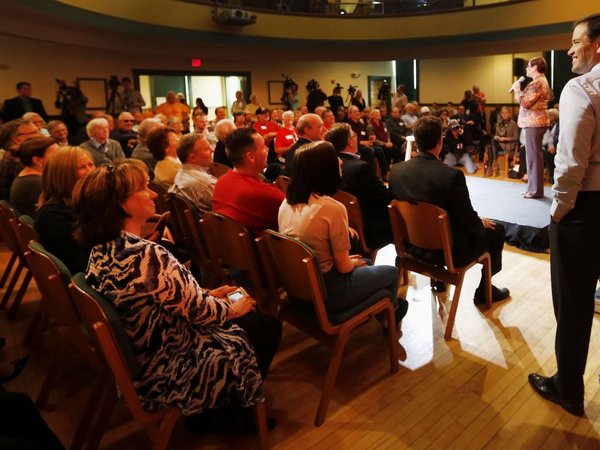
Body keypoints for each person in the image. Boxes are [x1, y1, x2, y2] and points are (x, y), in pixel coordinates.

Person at [73, 160, 282, 425]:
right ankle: (229, 411)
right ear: (121, 205)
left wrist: (207, 293)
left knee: (247, 315)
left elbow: (168, 299)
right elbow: (198, 312)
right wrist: (231, 308)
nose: (153, 194)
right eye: (143, 188)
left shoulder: (102, 249)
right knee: (265, 324)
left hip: (150, 352)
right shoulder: (146, 255)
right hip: (170, 365)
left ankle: (224, 403)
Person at [528, 13, 600, 418]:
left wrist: (558, 210)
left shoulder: (581, 87)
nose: (570, 49)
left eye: (576, 41)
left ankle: (569, 389)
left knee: (573, 303)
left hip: (585, 209)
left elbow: (571, 162)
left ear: (598, 44)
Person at [278, 141, 407, 327]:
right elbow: (344, 268)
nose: (340, 161)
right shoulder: (332, 208)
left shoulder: (287, 202)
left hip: (300, 286)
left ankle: (388, 311)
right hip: (329, 291)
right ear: (325, 169)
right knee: (391, 273)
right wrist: (351, 262)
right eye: (335, 158)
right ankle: (390, 314)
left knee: (368, 263)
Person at [389, 116, 510, 303]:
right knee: (497, 229)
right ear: (440, 141)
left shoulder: (396, 171)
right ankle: (485, 292)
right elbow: (467, 220)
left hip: (411, 246)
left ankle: (438, 280)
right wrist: (480, 223)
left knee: (432, 223)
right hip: (449, 252)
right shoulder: (451, 176)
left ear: (416, 141)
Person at [325, 123, 393, 250]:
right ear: (350, 141)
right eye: (354, 135)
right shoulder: (361, 168)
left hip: (341, 225)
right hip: (368, 228)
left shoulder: (327, 165)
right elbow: (384, 198)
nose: (356, 138)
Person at [35, 146, 95, 274]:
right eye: (82, 167)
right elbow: (83, 265)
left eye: (91, 164)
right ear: (63, 175)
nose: (91, 172)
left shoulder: (80, 204)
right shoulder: (54, 217)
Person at [213, 128, 285, 233]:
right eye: (264, 147)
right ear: (250, 157)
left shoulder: (221, 182)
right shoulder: (267, 194)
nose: (267, 149)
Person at [511, 57, 552, 198]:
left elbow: (525, 103)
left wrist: (517, 90)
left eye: (529, 66)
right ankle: (532, 189)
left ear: (535, 67)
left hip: (534, 123)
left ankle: (535, 191)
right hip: (534, 123)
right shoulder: (541, 81)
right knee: (532, 157)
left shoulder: (537, 83)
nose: (526, 68)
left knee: (534, 158)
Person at [169, 133, 217, 216]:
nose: (212, 150)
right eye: (207, 149)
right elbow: (232, 207)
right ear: (193, 158)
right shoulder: (206, 184)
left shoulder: (181, 174)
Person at [9, 137, 57, 217]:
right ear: (37, 160)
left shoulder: (29, 176)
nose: (62, 157)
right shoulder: (36, 183)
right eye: (57, 154)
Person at [488, 106, 519, 177]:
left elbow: (516, 137)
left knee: (491, 144)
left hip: (509, 144)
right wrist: (496, 137)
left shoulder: (513, 123)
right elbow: (496, 135)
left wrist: (505, 139)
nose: (504, 114)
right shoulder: (499, 123)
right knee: (492, 143)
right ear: (501, 114)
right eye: (502, 113)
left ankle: (492, 167)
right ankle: (494, 167)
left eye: (506, 113)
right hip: (499, 144)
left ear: (509, 114)